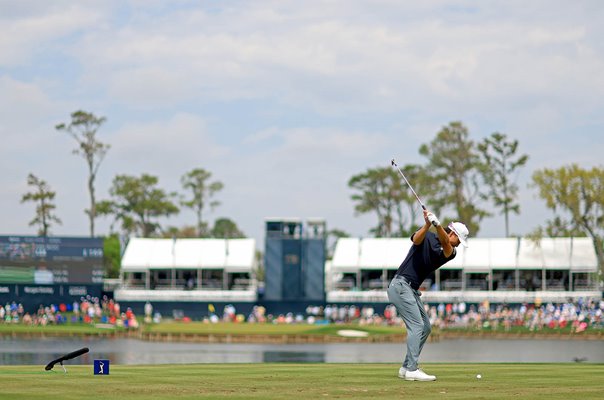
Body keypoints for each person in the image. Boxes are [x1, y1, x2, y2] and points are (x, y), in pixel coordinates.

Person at [387, 209, 469, 381]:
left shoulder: (450, 251)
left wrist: (437, 225)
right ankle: (412, 369)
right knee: (417, 326)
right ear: (453, 233)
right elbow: (415, 239)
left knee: (425, 327)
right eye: (459, 240)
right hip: (401, 285)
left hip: (410, 289)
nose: (458, 244)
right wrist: (427, 224)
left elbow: (447, 244)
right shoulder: (428, 236)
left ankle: (406, 367)